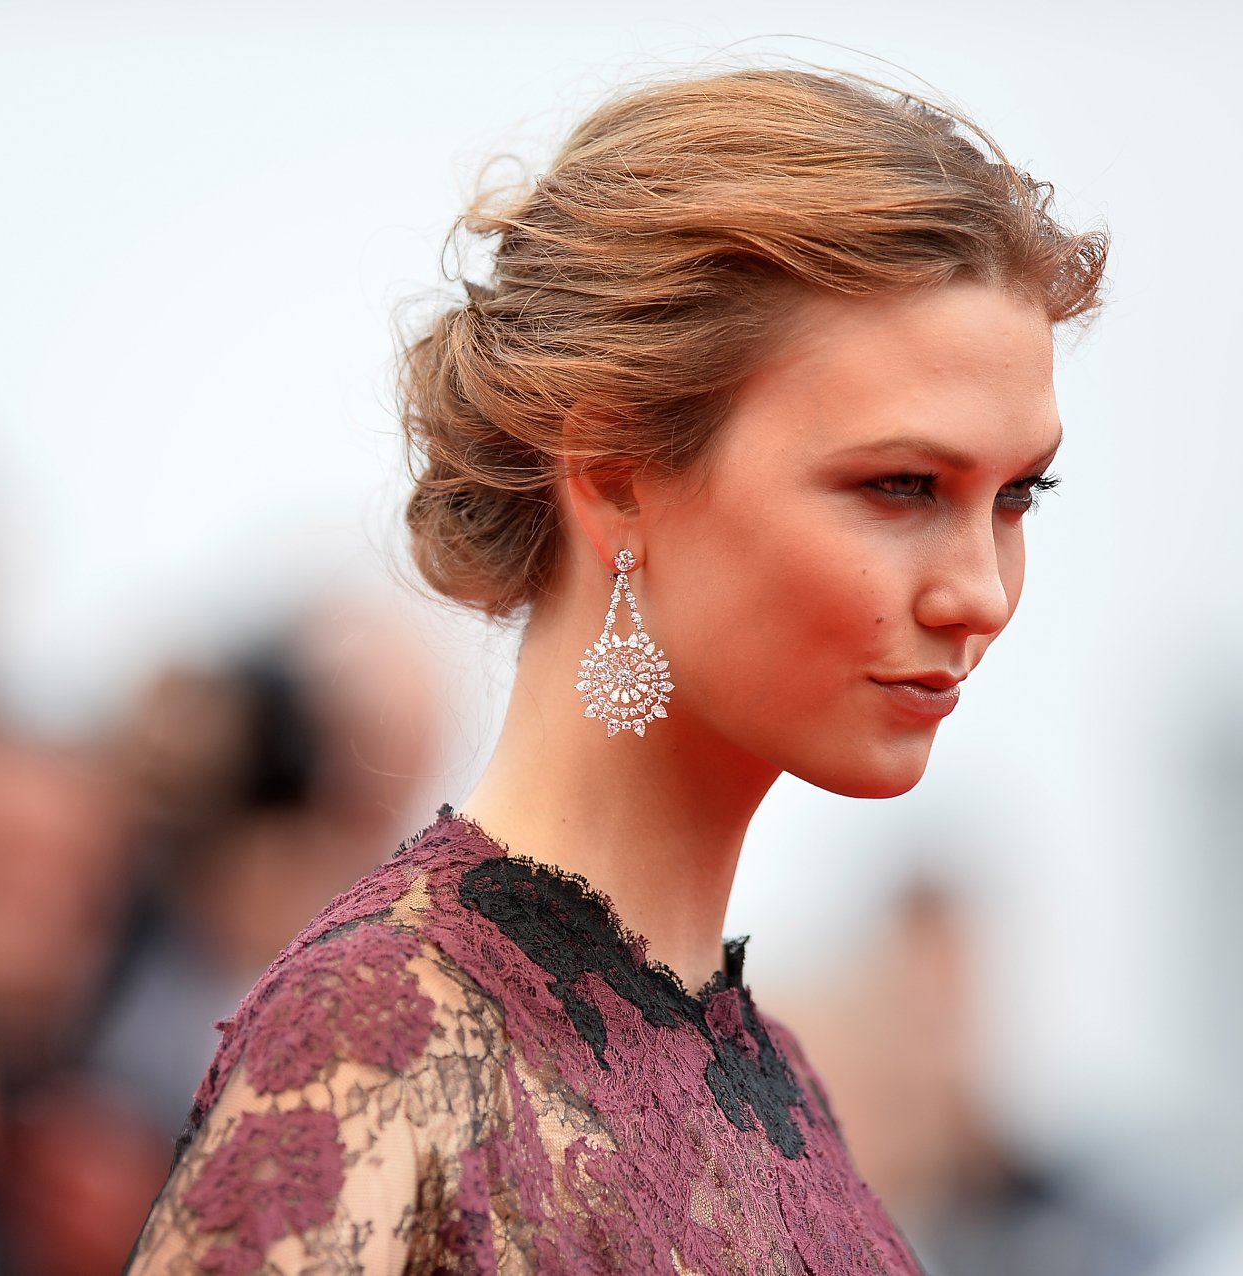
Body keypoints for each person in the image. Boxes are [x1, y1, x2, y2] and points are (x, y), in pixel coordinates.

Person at [124, 65, 1107, 1273]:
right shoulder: (379, 1040)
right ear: (616, 476)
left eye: (1017, 496)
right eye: (899, 486)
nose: (983, 591)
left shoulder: (780, 1087)